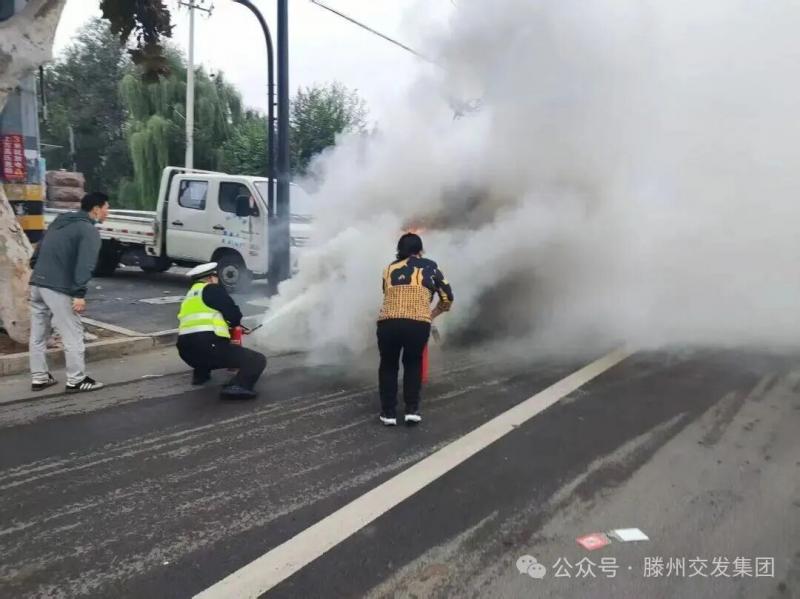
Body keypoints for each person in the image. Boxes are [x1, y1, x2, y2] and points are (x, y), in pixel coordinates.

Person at [29, 192, 109, 393]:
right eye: (106, 208)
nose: (107, 212)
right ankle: (76, 380)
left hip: (38, 283)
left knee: (38, 334)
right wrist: (79, 294)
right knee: (73, 333)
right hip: (58, 287)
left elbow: (40, 247)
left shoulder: (60, 221)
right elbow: (85, 264)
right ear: (96, 209)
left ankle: (39, 377)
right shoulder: (88, 230)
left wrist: (36, 266)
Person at [377, 232, 453, 426]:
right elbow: (447, 297)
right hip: (417, 323)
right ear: (420, 250)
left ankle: (388, 413)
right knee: (413, 363)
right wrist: (432, 314)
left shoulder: (389, 268)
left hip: (388, 322)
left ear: (399, 250)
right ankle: (411, 410)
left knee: (388, 365)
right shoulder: (431, 267)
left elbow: (387, 293)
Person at [176, 262, 267, 399]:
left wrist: (236, 327)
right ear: (211, 278)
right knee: (256, 360)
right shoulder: (212, 288)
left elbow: (202, 323)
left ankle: (200, 377)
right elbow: (233, 314)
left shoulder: (190, 296)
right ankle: (238, 386)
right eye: (217, 277)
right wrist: (236, 324)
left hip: (186, 352)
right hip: (209, 348)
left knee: (203, 346)